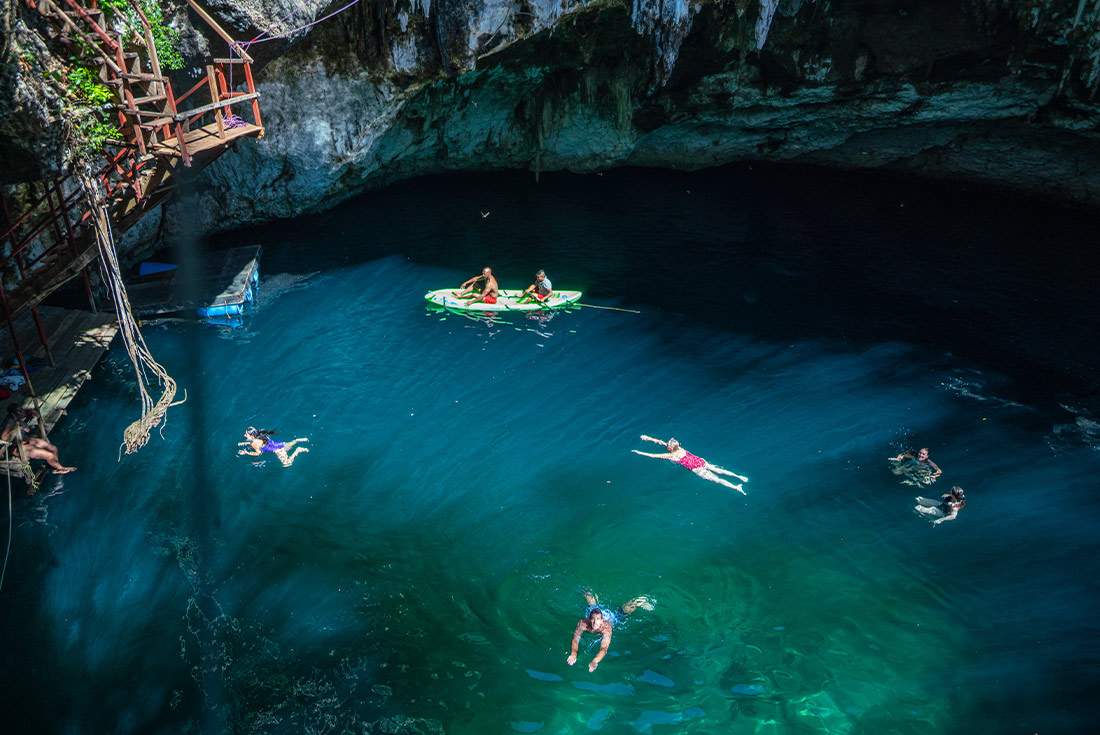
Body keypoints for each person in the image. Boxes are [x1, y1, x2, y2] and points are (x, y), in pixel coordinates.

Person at [567, 590, 654, 672]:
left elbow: (604, 648)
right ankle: (585, 590)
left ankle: (642, 599)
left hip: (613, 617)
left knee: (623, 611)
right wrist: (573, 654)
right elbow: (575, 639)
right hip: (598, 613)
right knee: (591, 605)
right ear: (589, 619)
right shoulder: (583, 623)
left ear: (601, 621)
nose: (594, 622)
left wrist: (595, 661)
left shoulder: (606, 628)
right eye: (593, 619)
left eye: (597, 620)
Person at [632, 435, 748, 495]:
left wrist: (639, 452)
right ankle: (739, 477)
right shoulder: (680, 449)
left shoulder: (671, 456)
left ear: (670, 448)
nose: (666, 444)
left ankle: (736, 487)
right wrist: (649, 439)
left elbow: (653, 455)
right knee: (719, 470)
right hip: (699, 461)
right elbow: (663, 443)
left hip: (696, 468)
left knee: (717, 479)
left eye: (667, 444)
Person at [0, 405, 76, 474]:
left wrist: (32, 411)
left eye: (21, 410)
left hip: (26, 440)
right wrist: (18, 429)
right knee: (50, 455)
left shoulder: (17, 416)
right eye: (19, 411)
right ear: (13, 414)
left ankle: (54, 466)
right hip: (17, 447)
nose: (22, 412)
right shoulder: (9, 423)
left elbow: (25, 413)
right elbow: (4, 437)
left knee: (53, 448)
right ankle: (60, 468)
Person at [237, 426, 309, 467]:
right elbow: (259, 443)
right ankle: (297, 440)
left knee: (287, 464)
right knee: (290, 444)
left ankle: (298, 450)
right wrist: (245, 443)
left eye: (246, 434)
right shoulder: (261, 435)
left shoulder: (254, 444)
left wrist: (247, 452)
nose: (244, 435)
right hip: (281, 444)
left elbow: (258, 453)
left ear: (252, 436)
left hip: (279, 451)